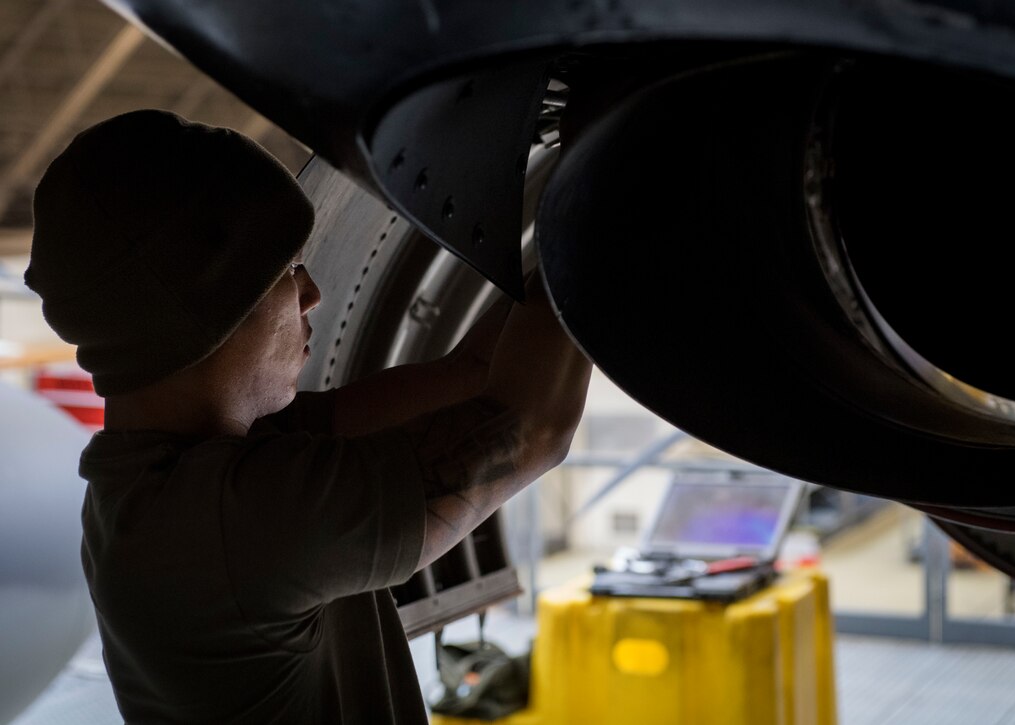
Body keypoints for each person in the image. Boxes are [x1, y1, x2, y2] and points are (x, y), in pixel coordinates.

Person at [24, 109, 592, 723]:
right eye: (287, 270)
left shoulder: (185, 476)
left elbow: (472, 378)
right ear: (208, 310)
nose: (314, 293)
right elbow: (530, 428)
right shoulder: (222, 525)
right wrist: (607, 175)